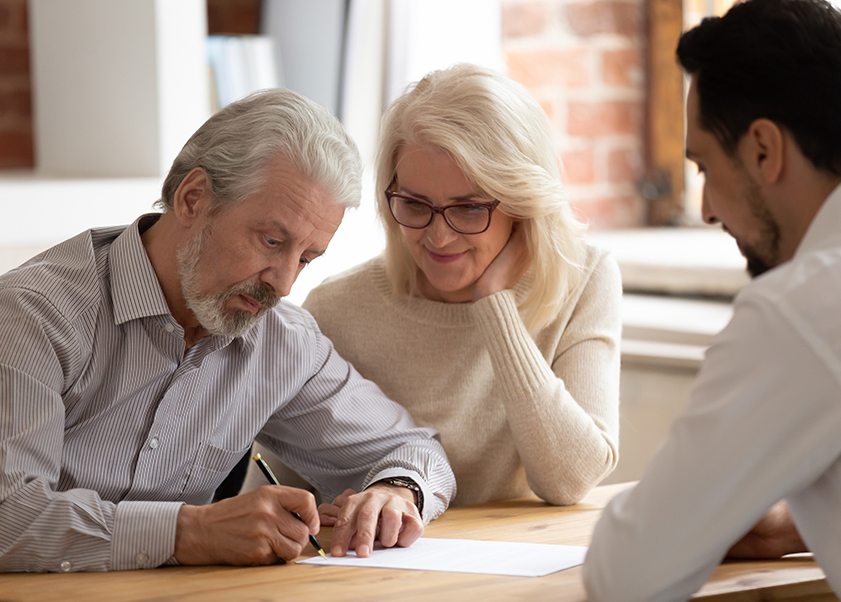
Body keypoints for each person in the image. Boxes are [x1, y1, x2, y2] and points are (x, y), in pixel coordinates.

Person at [0, 88, 456, 573]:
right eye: (272, 241)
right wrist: (191, 532)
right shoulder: (31, 316)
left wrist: (395, 492)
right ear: (193, 198)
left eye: (305, 258)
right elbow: (8, 516)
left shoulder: (283, 341)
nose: (282, 283)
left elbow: (415, 451)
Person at [248, 63, 621, 510]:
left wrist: (495, 306)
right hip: (377, 567)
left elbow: (570, 481)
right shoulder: (336, 308)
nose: (438, 236)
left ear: (523, 206)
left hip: (523, 563)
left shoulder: (583, 279)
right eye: (415, 203)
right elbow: (280, 494)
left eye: (467, 209)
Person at [582, 0, 841, 598]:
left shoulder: (797, 312)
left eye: (702, 164)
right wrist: (798, 523)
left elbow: (626, 575)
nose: (705, 209)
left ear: (763, 151)